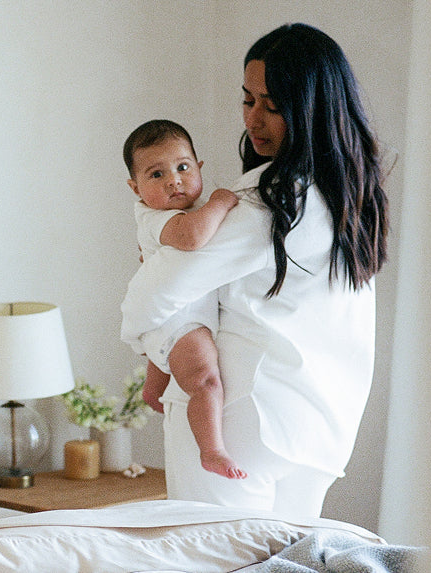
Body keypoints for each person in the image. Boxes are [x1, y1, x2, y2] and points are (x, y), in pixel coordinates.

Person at [120, 23, 388, 518]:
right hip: (318, 427)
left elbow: (151, 300)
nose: (254, 120)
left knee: (210, 557)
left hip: (237, 417)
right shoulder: (352, 194)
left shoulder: (269, 200)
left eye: (273, 105)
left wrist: (150, 329)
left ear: (312, 108)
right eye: (248, 100)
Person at [120, 119, 246, 480]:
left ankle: (153, 387)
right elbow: (192, 237)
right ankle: (212, 450)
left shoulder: (186, 208)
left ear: (198, 167)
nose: (174, 180)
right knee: (205, 380)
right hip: (180, 319)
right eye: (156, 175)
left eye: (183, 167)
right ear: (136, 188)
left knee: (172, 356)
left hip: (170, 317)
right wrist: (221, 203)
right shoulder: (155, 218)